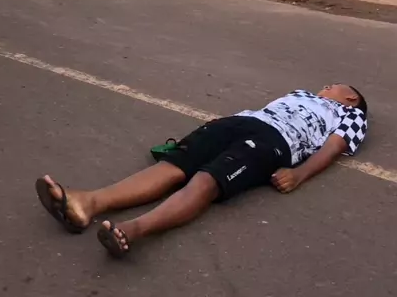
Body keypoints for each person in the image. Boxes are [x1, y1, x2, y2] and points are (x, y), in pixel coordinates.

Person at [35, 83, 367, 259]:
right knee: (173, 166)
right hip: (241, 121)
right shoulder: (301, 94)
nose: (326, 86)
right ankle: (88, 203)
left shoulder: (351, 115)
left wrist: (299, 174)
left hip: (276, 142)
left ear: (350, 97)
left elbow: (333, 147)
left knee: (208, 180)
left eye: (334, 85)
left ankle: (134, 229)